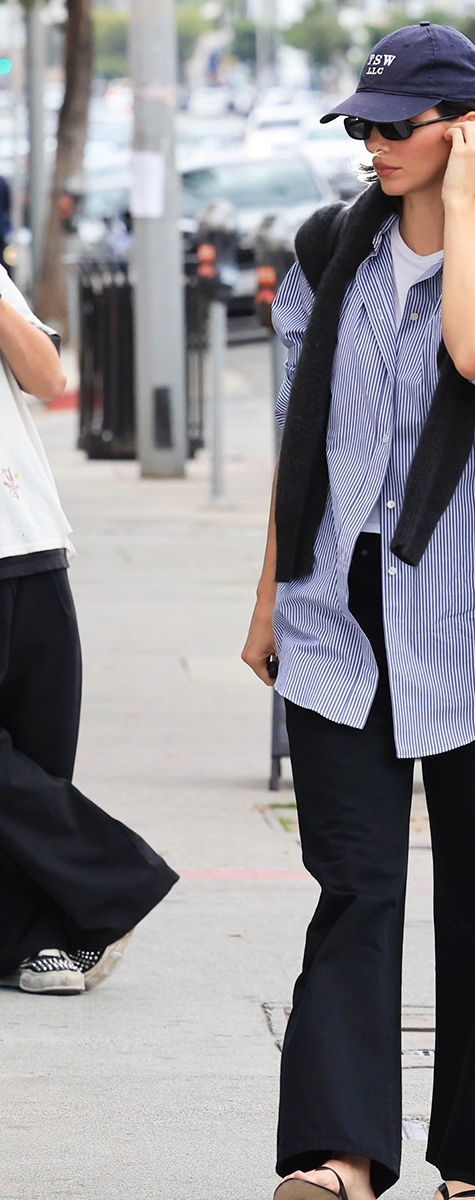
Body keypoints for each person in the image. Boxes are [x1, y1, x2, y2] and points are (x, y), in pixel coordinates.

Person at [241, 22, 475, 1200]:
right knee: (355, 884)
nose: (376, 146)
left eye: (402, 126)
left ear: (466, 127)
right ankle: (341, 1157)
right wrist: (267, 598)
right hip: (342, 623)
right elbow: (302, 445)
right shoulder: (329, 255)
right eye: (365, 128)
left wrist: (458, 209)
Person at [0, 264, 178, 997]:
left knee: (39, 757)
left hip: (27, 538)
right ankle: (113, 880)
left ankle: (35, 940)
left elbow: (45, 376)